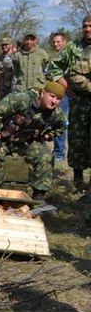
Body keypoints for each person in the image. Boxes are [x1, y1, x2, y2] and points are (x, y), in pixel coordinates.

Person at [0, 82, 66, 201]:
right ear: (43, 93)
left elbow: (63, 126)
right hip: (4, 139)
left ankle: (38, 198)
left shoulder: (55, 113)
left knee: (46, 157)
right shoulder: (21, 99)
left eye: (58, 99)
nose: (54, 101)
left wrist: (48, 135)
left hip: (26, 143)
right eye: (52, 96)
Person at [45, 32, 80, 162]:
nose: (56, 44)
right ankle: (57, 151)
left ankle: (60, 152)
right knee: (57, 120)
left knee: (64, 121)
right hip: (60, 93)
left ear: (65, 42)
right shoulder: (56, 57)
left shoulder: (72, 53)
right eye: (54, 42)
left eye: (58, 42)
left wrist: (66, 86)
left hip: (70, 93)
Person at [66, 15, 91, 191]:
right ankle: (78, 180)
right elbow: (66, 71)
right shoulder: (74, 48)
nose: (87, 29)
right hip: (80, 102)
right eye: (85, 26)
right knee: (77, 139)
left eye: (90, 26)